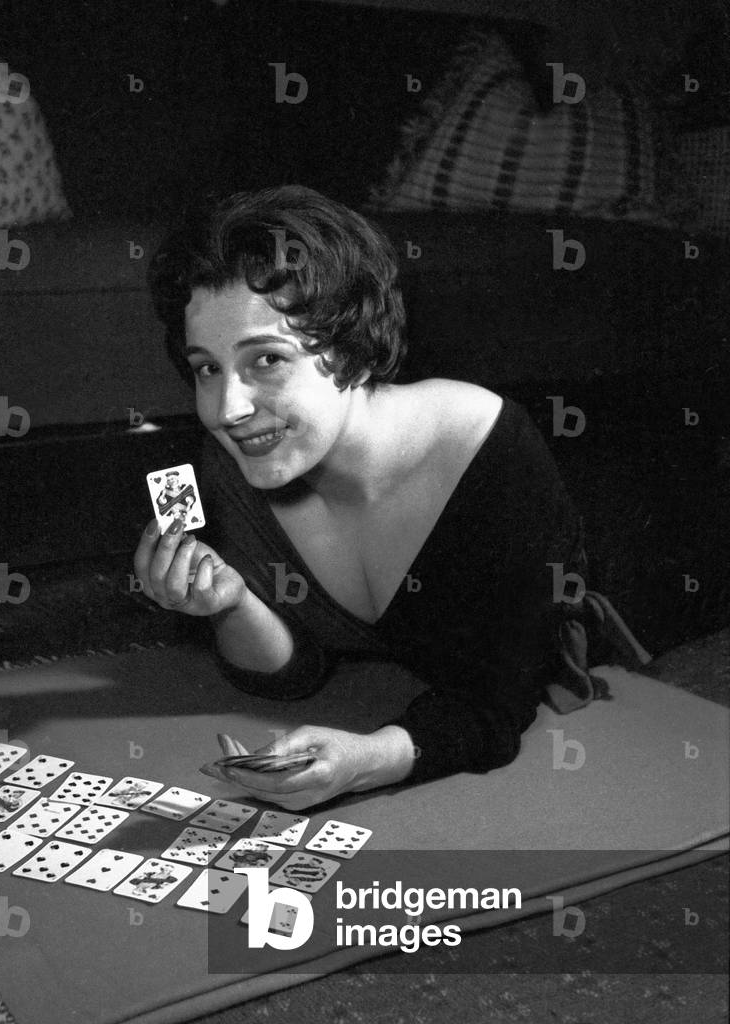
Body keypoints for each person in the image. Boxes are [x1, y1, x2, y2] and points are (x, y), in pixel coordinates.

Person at [134, 184, 588, 811]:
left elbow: (501, 694)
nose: (227, 408)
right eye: (208, 368)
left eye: (266, 358)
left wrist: (369, 760)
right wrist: (230, 604)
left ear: (349, 345)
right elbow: (288, 675)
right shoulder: (229, 463)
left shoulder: (484, 441)